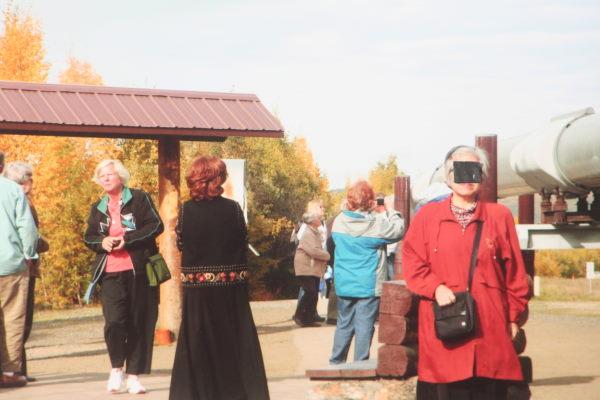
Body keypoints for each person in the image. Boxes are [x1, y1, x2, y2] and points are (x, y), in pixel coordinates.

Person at [402, 145, 531, 399]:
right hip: (445, 331)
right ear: (448, 177)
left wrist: (513, 317)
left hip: (490, 330)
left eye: (473, 170)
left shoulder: (499, 216)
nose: (467, 178)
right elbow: (412, 262)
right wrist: (435, 287)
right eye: (459, 170)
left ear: (482, 176)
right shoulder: (427, 217)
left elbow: (515, 274)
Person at [169, 155, 269, 400]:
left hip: (198, 295)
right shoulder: (233, 209)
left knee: (198, 346)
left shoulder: (185, 211)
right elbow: (242, 241)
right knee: (234, 345)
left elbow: (181, 243)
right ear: (216, 178)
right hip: (230, 293)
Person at [83, 159, 164, 394]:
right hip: (110, 273)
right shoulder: (97, 207)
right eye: (101, 176)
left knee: (140, 322)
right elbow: (89, 237)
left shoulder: (139, 198)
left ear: (120, 176)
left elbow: (156, 226)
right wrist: (103, 242)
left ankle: (134, 376)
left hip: (140, 271)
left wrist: (126, 240)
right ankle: (116, 368)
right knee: (115, 322)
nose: (105, 178)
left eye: (109, 174)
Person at [329, 180, 405, 364]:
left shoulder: (338, 222)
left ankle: (336, 363)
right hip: (368, 285)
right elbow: (398, 230)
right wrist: (391, 211)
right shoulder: (376, 224)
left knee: (344, 324)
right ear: (371, 201)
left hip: (344, 284)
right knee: (364, 325)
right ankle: (359, 364)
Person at [4, 161, 49, 382]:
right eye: (26, 180)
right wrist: (35, 250)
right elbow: (28, 233)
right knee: (18, 319)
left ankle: (17, 369)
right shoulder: (17, 198)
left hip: (16, 264)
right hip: (18, 265)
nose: (30, 184)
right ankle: (13, 370)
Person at [0, 152, 38, 387]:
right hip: (11, 264)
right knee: (13, 318)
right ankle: (10, 371)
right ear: (2, 166)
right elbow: (27, 227)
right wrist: (29, 254)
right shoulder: (13, 190)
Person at [292, 199, 328, 324]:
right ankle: (301, 315)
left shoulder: (320, 225)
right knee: (309, 291)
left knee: (313, 291)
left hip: (315, 263)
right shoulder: (306, 228)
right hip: (307, 264)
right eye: (320, 207)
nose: (323, 209)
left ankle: (310, 315)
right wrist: (326, 256)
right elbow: (307, 246)